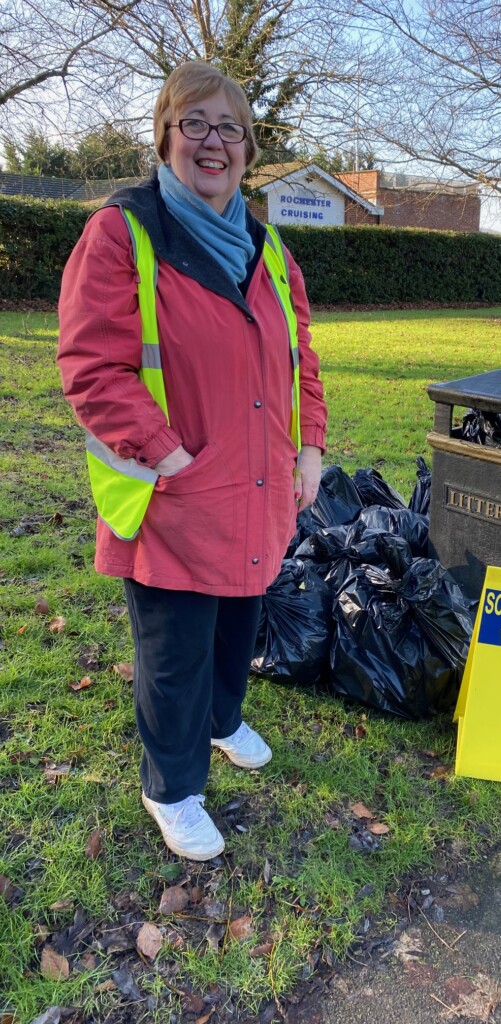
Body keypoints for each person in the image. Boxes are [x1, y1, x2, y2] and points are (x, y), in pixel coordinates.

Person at [58, 62, 327, 859]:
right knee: (174, 646)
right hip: (175, 484)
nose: (215, 143)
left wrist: (309, 445)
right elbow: (91, 366)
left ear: (249, 146)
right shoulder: (123, 231)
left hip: (260, 477)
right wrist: (169, 455)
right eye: (196, 124)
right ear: (166, 135)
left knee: (239, 609)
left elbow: (300, 355)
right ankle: (170, 788)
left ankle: (223, 721)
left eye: (230, 128)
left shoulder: (267, 243)